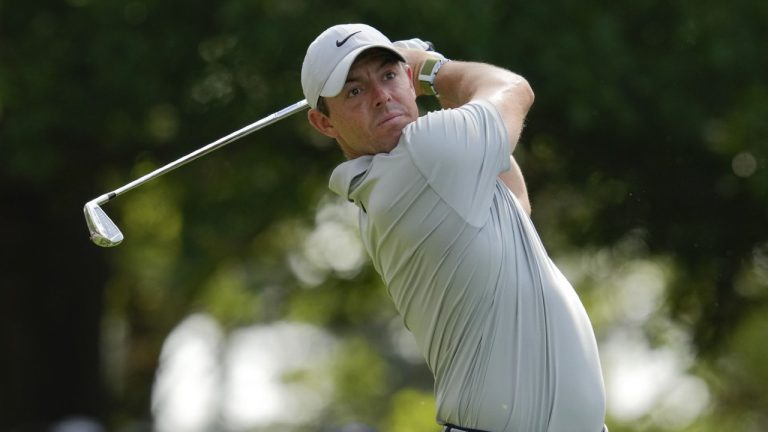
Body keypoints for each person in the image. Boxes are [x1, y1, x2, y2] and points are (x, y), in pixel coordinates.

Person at [301, 23, 607, 432]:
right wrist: (431, 69)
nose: (381, 97)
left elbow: (516, 202)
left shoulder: (421, 172)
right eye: (355, 91)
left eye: (389, 75)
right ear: (324, 123)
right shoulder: (420, 158)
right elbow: (513, 88)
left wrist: (425, 83)